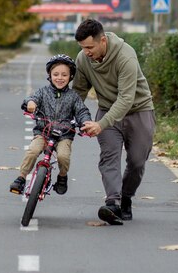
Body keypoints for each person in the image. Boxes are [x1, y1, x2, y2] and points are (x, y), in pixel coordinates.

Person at [73, 19, 155, 225]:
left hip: (138, 110)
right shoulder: (83, 59)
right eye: (82, 48)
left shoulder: (125, 56)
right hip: (107, 109)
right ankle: (113, 203)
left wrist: (100, 124)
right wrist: (65, 114)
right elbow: (79, 91)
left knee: (137, 162)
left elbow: (126, 99)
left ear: (103, 40)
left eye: (90, 47)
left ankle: (126, 196)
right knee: (109, 157)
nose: (86, 52)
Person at [10, 54, 92, 196]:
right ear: (50, 75)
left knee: (63, 157)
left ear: (70, 77)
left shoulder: (73, 96)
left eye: (64, 75)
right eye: (56, 74)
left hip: (64, 135)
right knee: (33, 151)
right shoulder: (43, 92)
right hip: (43, 131)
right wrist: (30, 104)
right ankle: (21, 178)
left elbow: (82, 111)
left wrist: (85, 122)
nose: (60, 78)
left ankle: (62, 176)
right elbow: (32, 98)